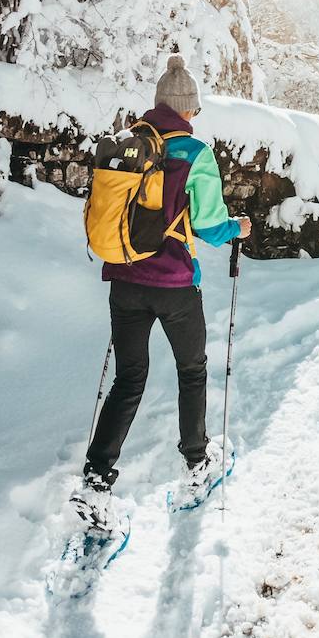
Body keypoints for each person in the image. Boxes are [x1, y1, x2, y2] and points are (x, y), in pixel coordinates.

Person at [80, 55, 251, 508]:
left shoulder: (131, 144)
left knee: (129, 377)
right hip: (174, 284)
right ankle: (197, 462)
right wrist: (239, 227)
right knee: (191, 370)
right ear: (189, 110)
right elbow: (211, 226)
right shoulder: (196, 154)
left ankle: (96, 478)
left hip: (123, 278)